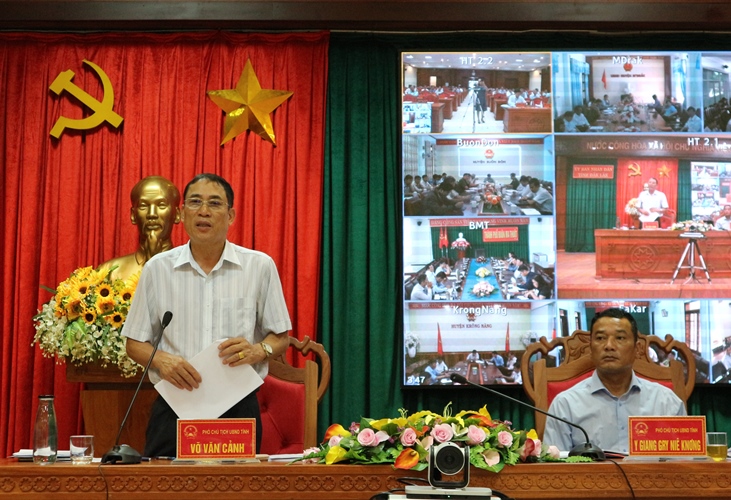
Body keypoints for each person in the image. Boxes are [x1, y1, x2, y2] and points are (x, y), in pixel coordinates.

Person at [123, 173, 292, 458]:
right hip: (175, 404)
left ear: (230, 215)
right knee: (163, 483)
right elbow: (134, 343)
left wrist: (258, 350)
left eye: (214, 203)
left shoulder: (259, 266)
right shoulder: (157, 269)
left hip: (237, 407)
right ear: (181, 213)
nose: (204, 211)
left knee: (236, 484)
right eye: (195, 202)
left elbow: (280, 337)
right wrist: (162, 361)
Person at [543, 308, 686, 454]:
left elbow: (685, 462)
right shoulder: (565, 405)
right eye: (600, 338)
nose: (609, 346)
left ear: (637, 349)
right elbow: (553, 465)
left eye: (620, 338)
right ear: (590, 348)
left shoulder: (667, 402)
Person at [99, 176, 181, 281]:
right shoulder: (109, 272)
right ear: (133, 215)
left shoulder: (193, 272)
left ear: (177, 214)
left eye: (161, 205)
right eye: (143, 206)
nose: (152, 214)